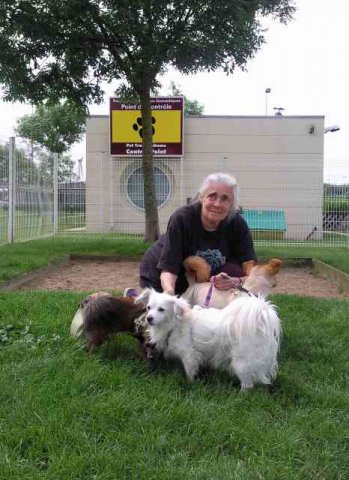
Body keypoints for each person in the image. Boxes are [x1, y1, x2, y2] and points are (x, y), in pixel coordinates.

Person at [126, 172, 257, 297]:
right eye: (212, 196)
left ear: (232, 203)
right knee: (162, 312)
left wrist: (235, 280)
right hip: (163, 270)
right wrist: (169, 292)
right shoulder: (182, 218)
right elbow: (169, 268)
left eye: (225, 198)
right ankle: (135, 298)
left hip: (203, 275)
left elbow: (250, 269)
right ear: (201, 197)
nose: (217, 204)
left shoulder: (237, 224)